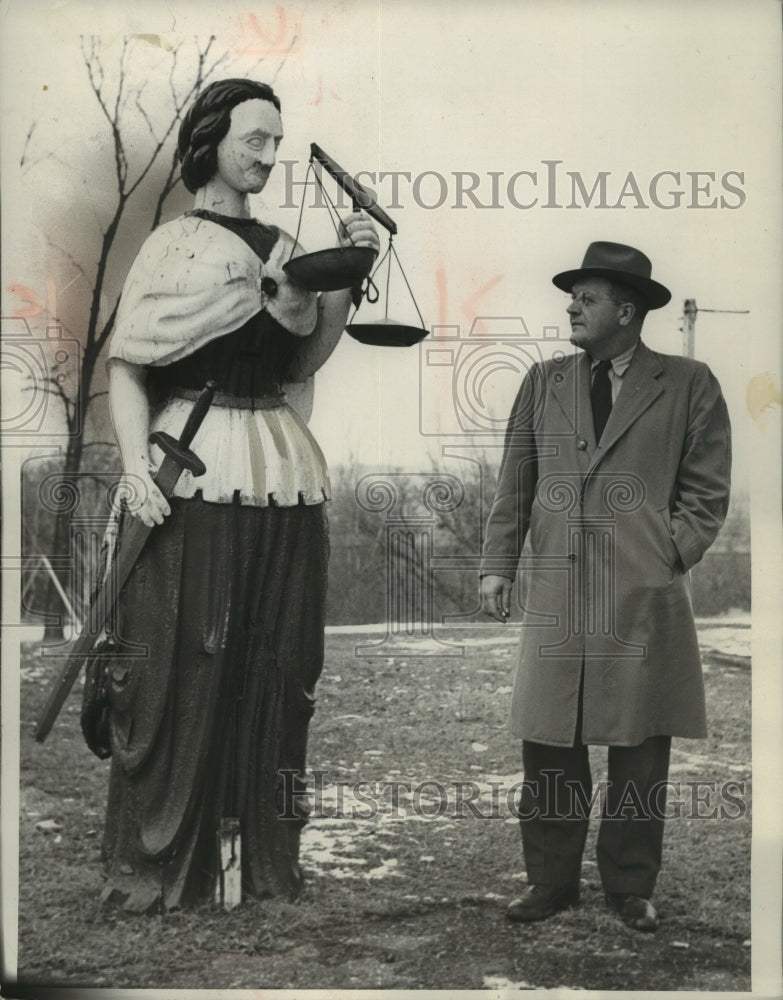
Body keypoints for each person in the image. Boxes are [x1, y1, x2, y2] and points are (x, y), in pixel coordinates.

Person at [100, 78, 379, 913]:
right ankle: (164, 866)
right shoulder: (173, 247)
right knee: (185, 663)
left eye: (275, 143)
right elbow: (130, 364)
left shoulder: (286, 246)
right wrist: (132, 466)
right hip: (190, 467)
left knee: (276, 667)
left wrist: (343, 279)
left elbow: (298, 363)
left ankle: (261, 865)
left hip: (280, 469)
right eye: (253, 140)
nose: (267, 156)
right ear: (212, 141)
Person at [479, 241, 731, 932]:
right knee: (549, 740)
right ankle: (550, 881)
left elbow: (706, 493)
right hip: (558, 593)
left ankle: (630, 885)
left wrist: (663, 556)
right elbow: (515, 481)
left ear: (626, 311)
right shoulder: (543, 382)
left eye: (586, 299)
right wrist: (498, 564)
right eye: (572, 297)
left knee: (639, 746)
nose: (571, 308)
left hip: (641, 595)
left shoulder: (688, 383)